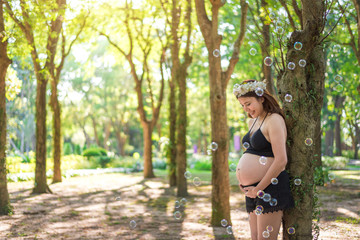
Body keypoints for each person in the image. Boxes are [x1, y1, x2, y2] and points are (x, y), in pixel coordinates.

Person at [233, 79, 294, 240]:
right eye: (242, 105)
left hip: (270, 188)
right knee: (255, 237)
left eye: (248, 103)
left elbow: (281, 160)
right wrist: (245, 182)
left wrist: (258, 188)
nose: (246, 109)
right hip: (253, 189)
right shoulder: (252, 121)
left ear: (261, 98)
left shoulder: (274, 119)